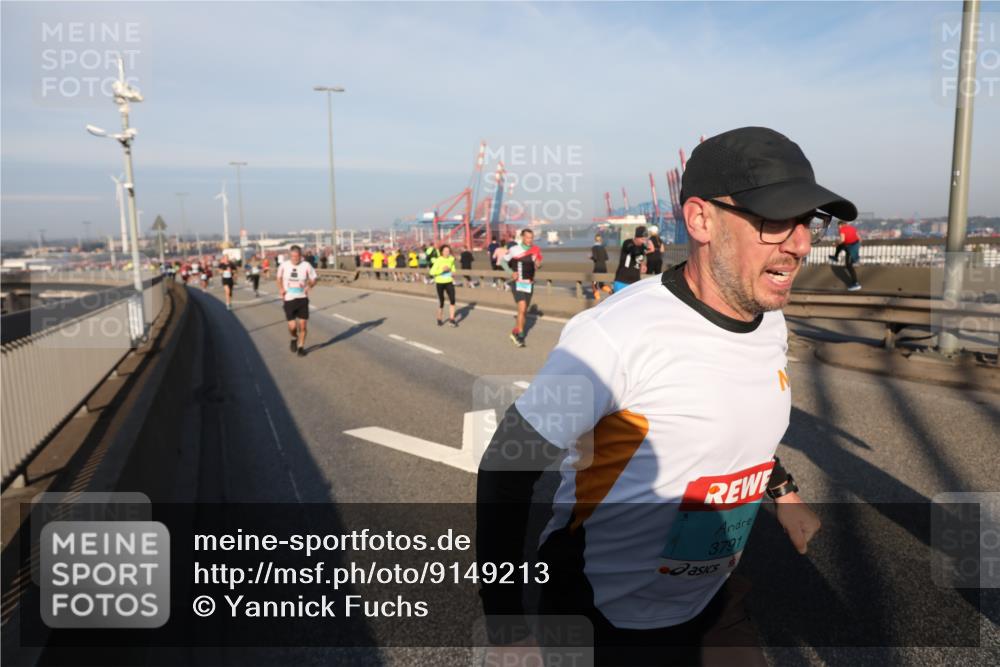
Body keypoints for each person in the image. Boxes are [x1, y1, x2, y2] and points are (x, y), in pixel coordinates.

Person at [477, 126, 853, 666]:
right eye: (776, 221)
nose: (799, 243)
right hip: (603, 617)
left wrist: (785, 493)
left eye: (807, 221)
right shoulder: (615, 337)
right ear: (701, 219)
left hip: (712, 601)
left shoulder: (769, 319)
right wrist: (506, 629)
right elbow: (504, 469)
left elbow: (738, 424)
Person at [500, 229, 543, 347]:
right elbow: (503, 262)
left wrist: (538, 264)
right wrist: (511, 273)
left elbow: (537, 264)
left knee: (523, 313)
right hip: (517, 283)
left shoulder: (535, 250)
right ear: (522, 237)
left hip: (529, 283)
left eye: (531, 237)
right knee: (522, 307)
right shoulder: (514, 250)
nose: (530, 240)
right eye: (528, 237)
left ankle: (515, 331)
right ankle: (520, 335)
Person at [277, 245, 318, 357]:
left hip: (302, 299)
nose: (295, 258)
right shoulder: (284, 265)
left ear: (301, 256)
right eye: (293, 256)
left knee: (303, 325)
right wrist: (280, 288)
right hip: (289, 299)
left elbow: (314, 278)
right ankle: (294, 337)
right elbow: (279, 278)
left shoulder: (306, 265)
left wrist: (310, 285)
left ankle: (301, 347)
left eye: (297, 256)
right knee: (293, 327)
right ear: (290, 256)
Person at [429, 244, 459, 327]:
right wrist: (442, 270)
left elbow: (453, 268)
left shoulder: (451, 259)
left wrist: (453, 272)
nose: (447, 252)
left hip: (449, 281)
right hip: (440, 282)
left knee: (452, 300)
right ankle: (439, 318)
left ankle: (452, 319)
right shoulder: (438, 260)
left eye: (448, 251)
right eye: (445, 251)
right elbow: (431, 272)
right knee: (441, 302)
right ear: (442, 252)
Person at [613, 225, 649, 292]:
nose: (643, 241)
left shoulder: (643, 246)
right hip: (622, 281)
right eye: (642, 239)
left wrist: (643, 265)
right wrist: (643, 251)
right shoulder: (627, 243)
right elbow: (634, 251)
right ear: (636, 237)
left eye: (645, 240)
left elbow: (642, 258)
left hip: (635, 282)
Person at [829, 220, 862, 291]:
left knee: (849, 265)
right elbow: (859, 238)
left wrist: (836, 243)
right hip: (854, 245)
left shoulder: (842, 229)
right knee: (841, 247)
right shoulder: (852, 228)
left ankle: (856, 283)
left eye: (838, 227)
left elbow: (842, 240)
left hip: (850, 247)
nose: (838, 228)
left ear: (840, 225)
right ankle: (836, 257)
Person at [589, 234, 610, 300]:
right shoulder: (603, 247)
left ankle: (597, 299)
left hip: (597, 268)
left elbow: (595, 258)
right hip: (604, 268)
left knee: (594, 284)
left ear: (595, 239)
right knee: (601, 285)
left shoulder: (594, 247)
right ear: (601, 240)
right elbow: (607, 258)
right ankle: (611, 292)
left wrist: (590, 257)